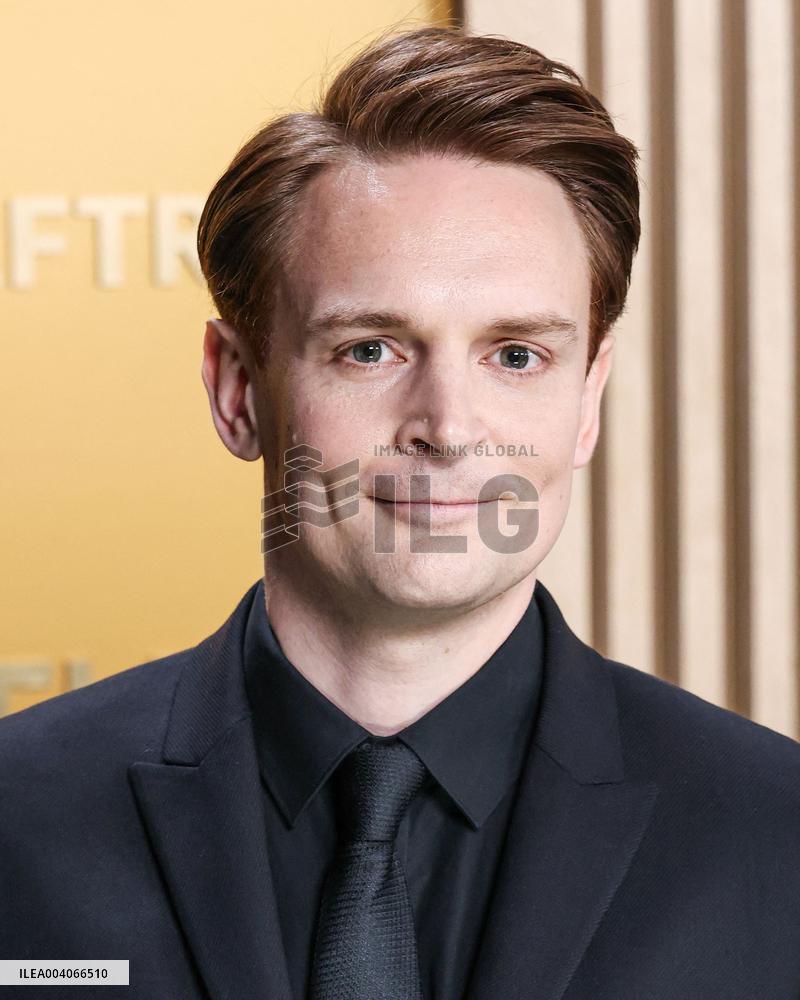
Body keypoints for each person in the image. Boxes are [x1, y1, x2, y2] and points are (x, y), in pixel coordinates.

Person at [1, 23, 798, 1000]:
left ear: (586, 399)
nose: (448, 428)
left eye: (515, 356)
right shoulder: (14, 816)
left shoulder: (777, 833)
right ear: (236, 389)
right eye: (369, 349)